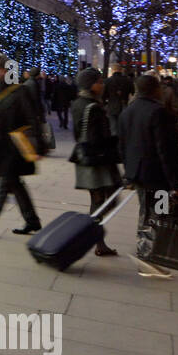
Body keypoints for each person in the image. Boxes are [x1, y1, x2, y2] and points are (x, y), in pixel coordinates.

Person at [120, 74, 178, 279]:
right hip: (158, 176)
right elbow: (165, 151)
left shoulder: (128, 111)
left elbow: (122, 146)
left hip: (139, 173)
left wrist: (129, 173)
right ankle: (148, 259)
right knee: (158, 216)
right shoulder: (158, 112)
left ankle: (147, 255)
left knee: (147, 213)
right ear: (155, 90)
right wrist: (174, 182)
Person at [0, 52, 45, 238]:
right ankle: (32, 221)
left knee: (4, 187)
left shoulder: (19, 91)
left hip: (12, 148)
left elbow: (32, 119)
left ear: (1, 71)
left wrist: (39, 145)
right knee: (16, 185)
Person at [69, 67, 121, 256]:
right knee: (109, 200)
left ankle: (97, 240)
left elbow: (77, 133)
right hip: (97, 160)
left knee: (99, 200)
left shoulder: (78, 103)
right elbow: (98, 137)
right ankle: (92, 235)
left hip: (84, 157)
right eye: (99, 81)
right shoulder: (94, 106)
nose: (102, 84)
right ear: (90, 85)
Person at [103, 63, 133, 138]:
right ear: (121, 70)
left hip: (112, 106)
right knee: (125, 127)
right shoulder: (127, 80)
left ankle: (115, 142)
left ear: (112, 70)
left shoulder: (107, 81)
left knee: (113, 127)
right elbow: (133, 92)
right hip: (124, 105)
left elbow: (104, 95)